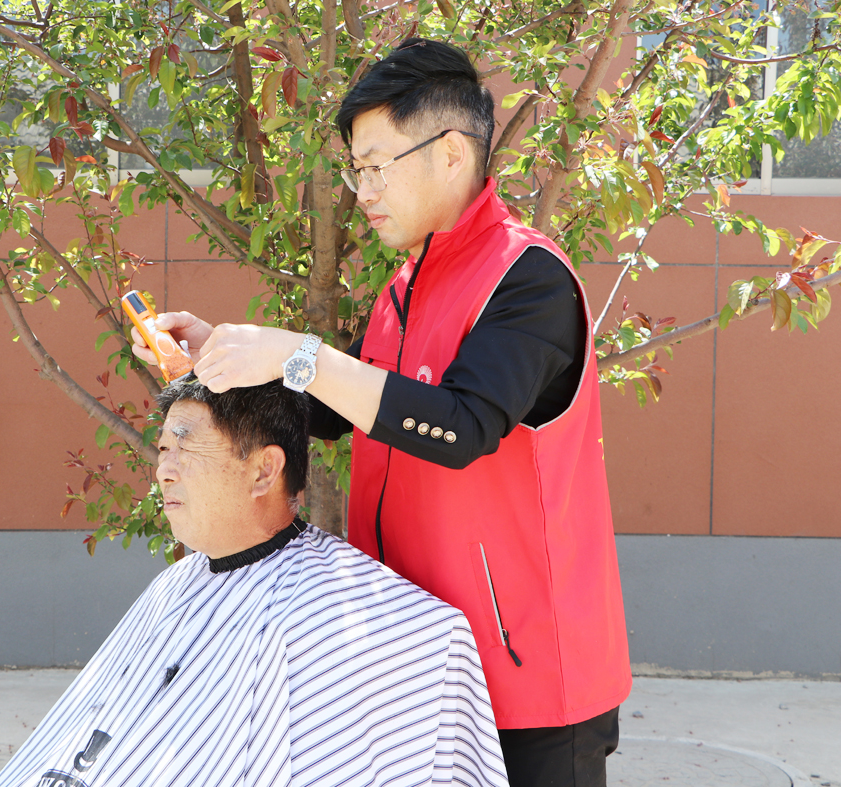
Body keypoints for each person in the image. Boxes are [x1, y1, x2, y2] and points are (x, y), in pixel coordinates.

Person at [131, 38, 631, 787]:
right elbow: (344, 411)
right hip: (413, 659)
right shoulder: (404, 287)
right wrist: (219, 363)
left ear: (451, 153)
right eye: (354, 170)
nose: (362, 190)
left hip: (524, 680)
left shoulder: (528, 278)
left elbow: (459, 427)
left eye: (375, 166)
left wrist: (300, 354)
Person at [0, 376, 508, 787]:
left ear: (264, 471)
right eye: (164, 450)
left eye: (186, 449)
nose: (163, 471)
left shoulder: (335, 622)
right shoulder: (175, 586)